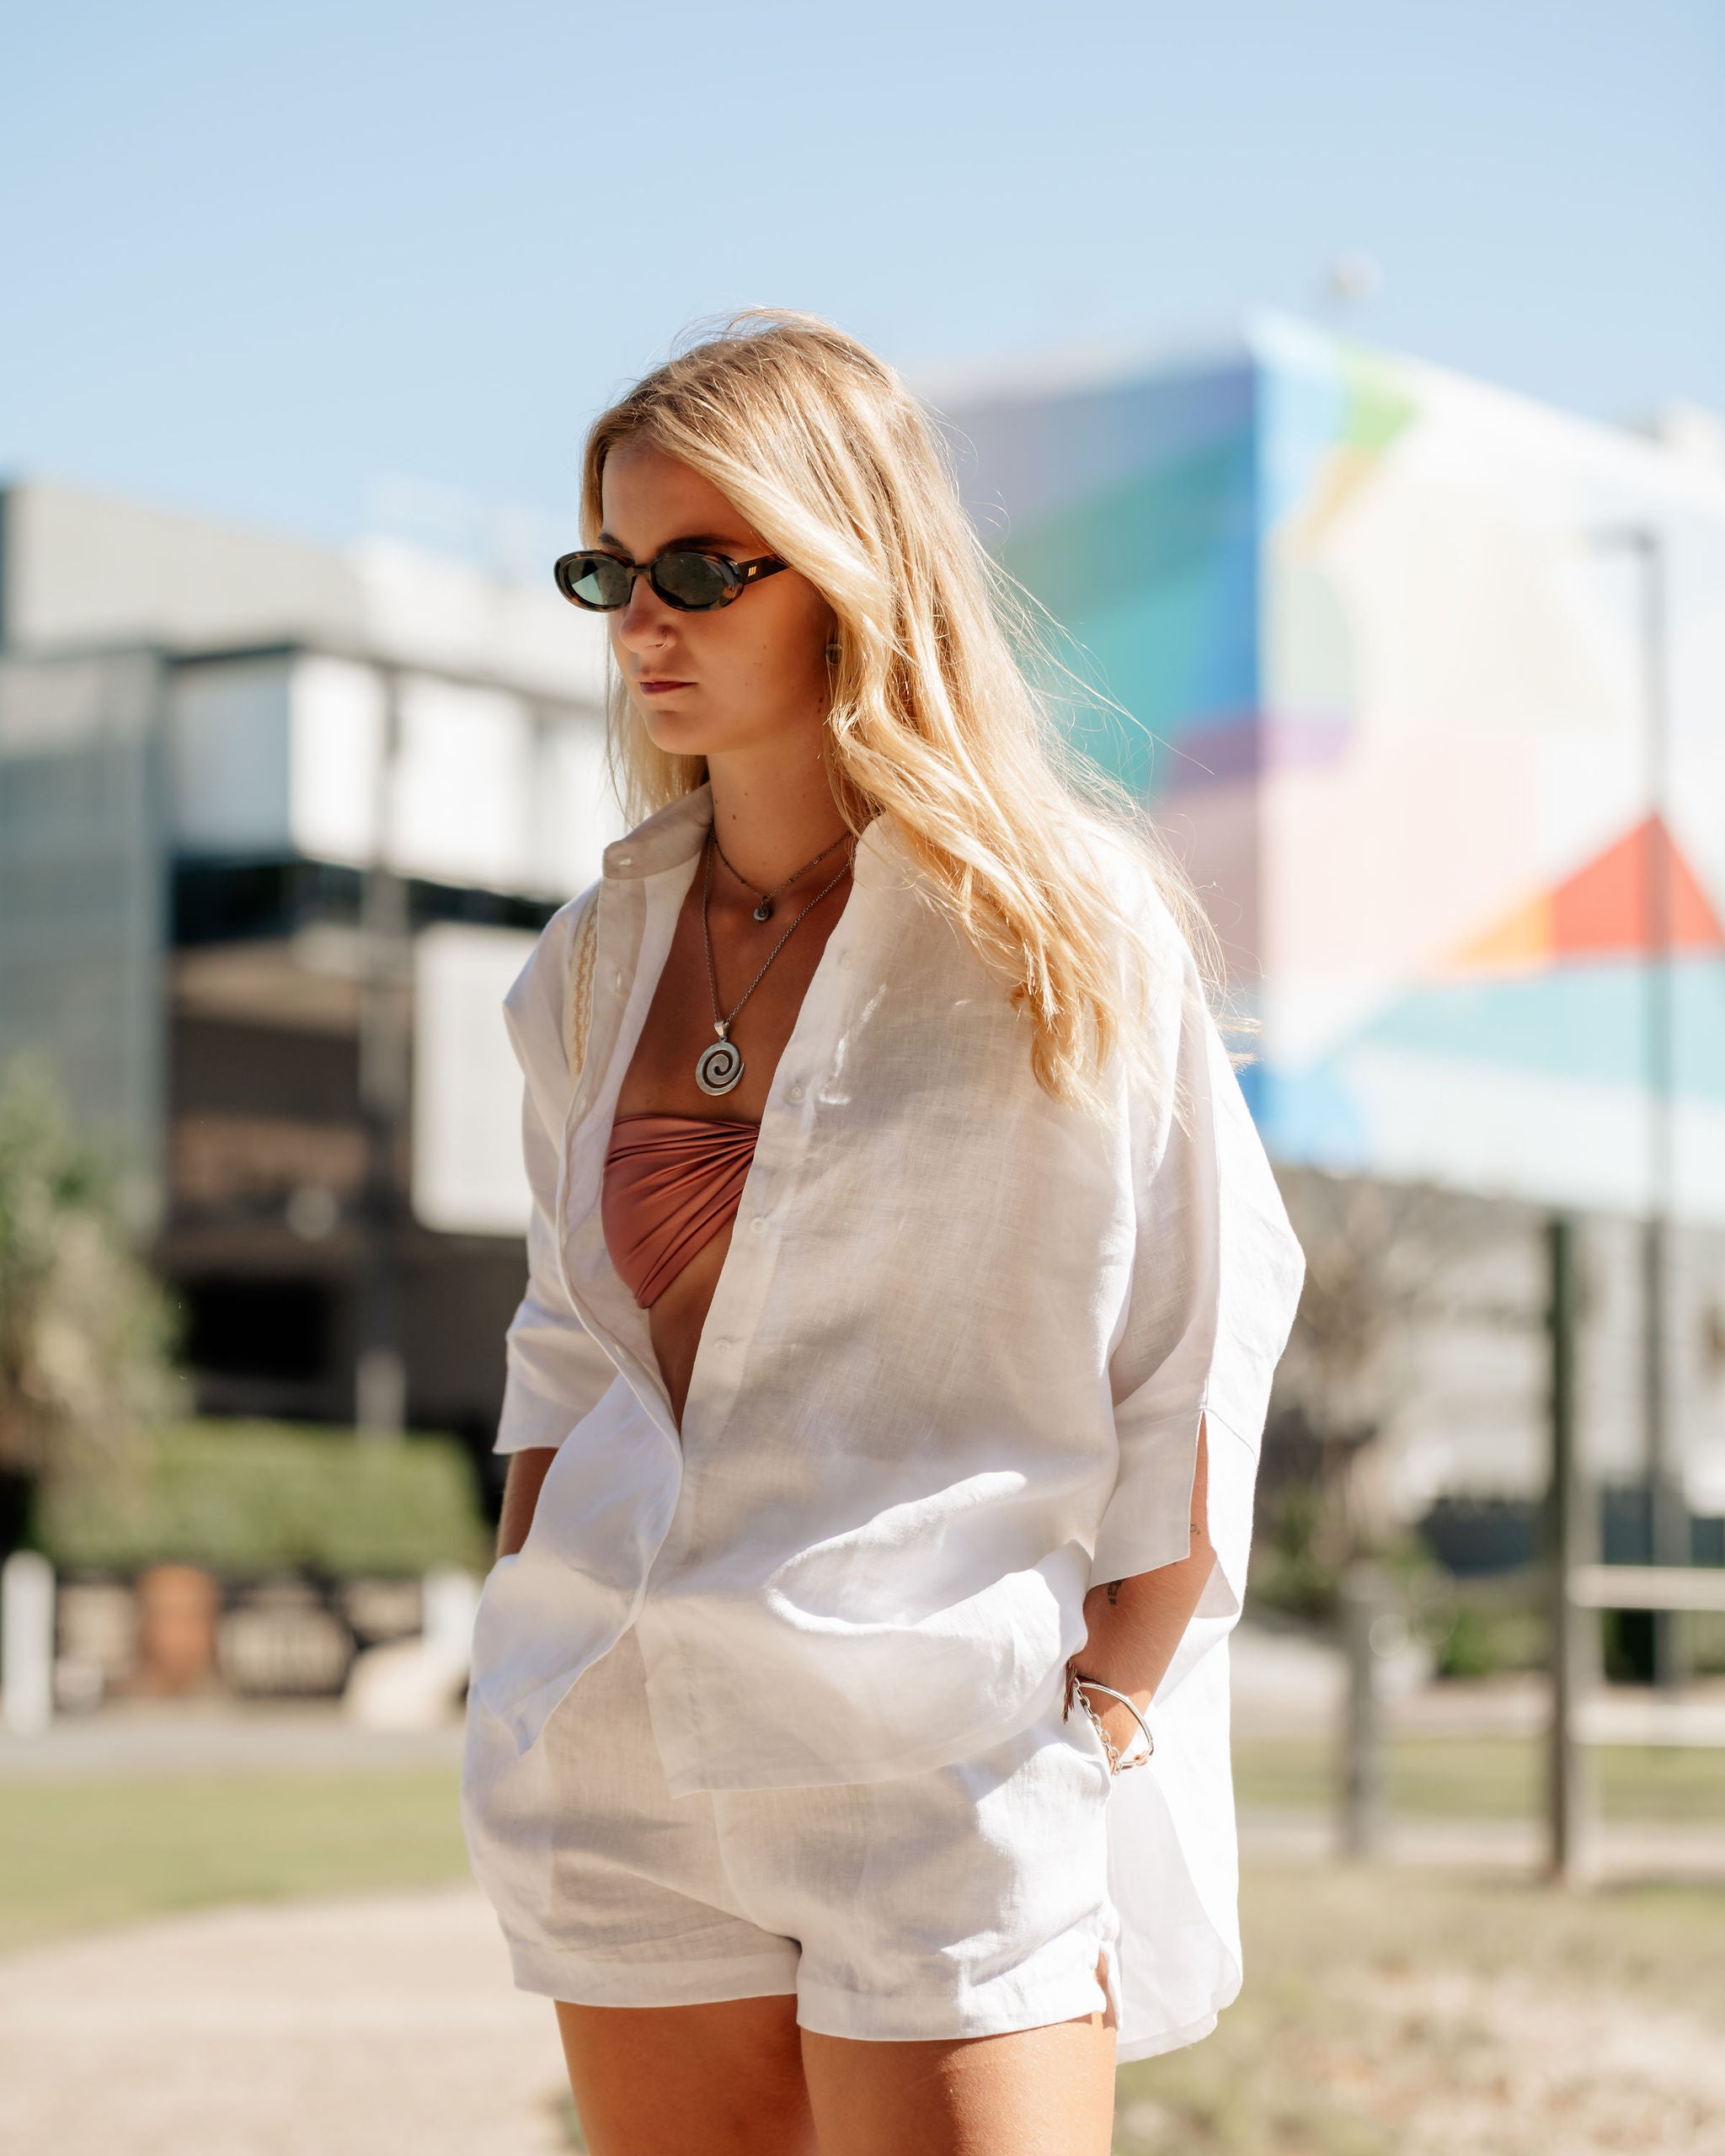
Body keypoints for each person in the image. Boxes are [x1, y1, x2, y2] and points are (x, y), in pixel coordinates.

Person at [460, 308, 1306, 2156]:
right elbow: (564, 1344)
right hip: (620, 1750)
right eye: (610, 569)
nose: (643, 621)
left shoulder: (1060, 928)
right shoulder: (589, 960)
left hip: (947, 1759)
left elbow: (1197, 1336)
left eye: (703, 567)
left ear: (852, 571)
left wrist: (1103, 1711)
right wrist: (522, 1622)